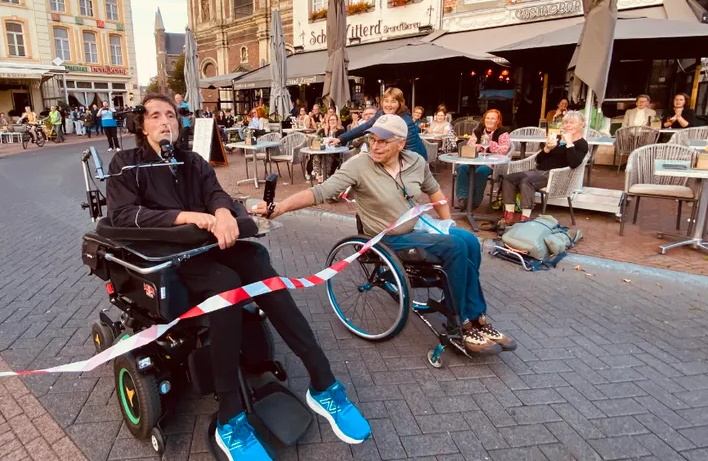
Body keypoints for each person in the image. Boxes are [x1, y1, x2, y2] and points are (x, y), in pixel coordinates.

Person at [107, 93, 371, 460]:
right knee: (227, 287)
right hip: (171, 256)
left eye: (171, 115)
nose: (166, 121)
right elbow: (122, 215)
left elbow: (215, 192)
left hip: (212, 243)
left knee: (265, 274)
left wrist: (222, 211)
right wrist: (188, 217)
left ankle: (323, 384)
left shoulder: (192, 161)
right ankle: (230, 419)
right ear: (143, 125)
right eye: (155, 116)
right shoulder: (127, 164)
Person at [250, 114, 516, 358]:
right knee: (456, 247)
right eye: (372, 140)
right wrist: (280, 207)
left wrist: (447, 224)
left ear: (400, 144)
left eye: (383, 142)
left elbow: (434, 192)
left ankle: (473, 313)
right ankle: (463, 323)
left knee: (467, 239)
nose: (375, 147)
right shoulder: (359, 165)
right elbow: (319, 191)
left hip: (418, 230)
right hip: (386, 240)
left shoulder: (416, 162)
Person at [502, 111, 588, 224]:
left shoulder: (581, 144)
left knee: (527, 181)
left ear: (581, 124)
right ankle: (509, 214)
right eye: (566, 122)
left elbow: (574, 163)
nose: (567, 125)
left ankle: (525, 217)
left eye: (571, 122)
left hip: (556, 176)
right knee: (509, 178)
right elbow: (539, 160)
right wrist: (547, 149)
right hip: (539, 171)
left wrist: (569, 143)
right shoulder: (557, 139)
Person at [330, 87, 426, 160]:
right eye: (386, 101)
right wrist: (340, 138)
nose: (388, 105)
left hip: (415, 160)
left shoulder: (405, 121)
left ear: (399, 104)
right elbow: (364, 127)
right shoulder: (380, 114)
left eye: (393, 102)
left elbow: (412, 150)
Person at [454, 109, 510, 210]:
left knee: (481, 172)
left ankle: (475, 201)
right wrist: (477, 146)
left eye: (493, 118)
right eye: (487, 118)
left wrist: (490, 142)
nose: (489, 120)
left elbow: (503, 151)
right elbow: (470, 146)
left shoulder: (503, 133)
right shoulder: (478, 131)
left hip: (492, 163)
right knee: (462, 167)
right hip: (476, 161)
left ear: (498, 121)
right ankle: (463, 198)